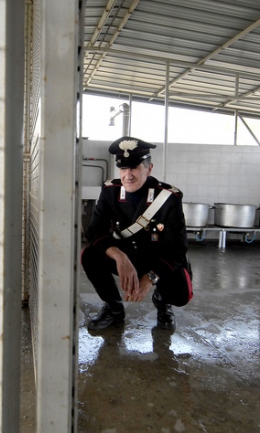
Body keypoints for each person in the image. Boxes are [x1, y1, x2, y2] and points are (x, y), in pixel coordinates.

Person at [81, 136, 193, 331]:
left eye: (134, 168)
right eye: (123, 168)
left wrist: (150, 277)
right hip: (126, 256)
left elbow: (177, 247)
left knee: (181, 295)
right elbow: (95, 231)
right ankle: (114, 308)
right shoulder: (110, 191)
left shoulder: (168, 198)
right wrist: (118, 256)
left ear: (149, 168)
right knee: (89, 255)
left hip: (156, 259)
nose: (128, 175)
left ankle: (163, 302)